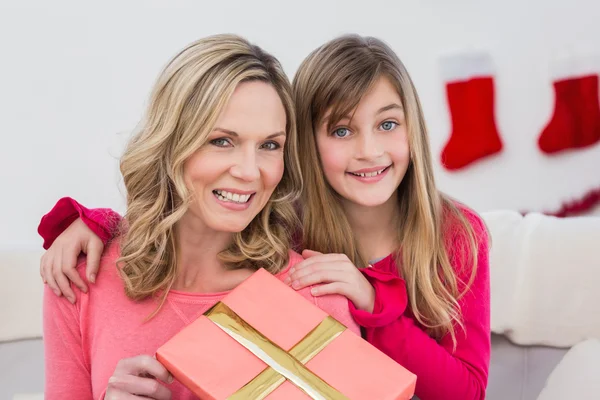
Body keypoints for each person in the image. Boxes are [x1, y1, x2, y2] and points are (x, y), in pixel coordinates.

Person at [40, 35, 490, 400]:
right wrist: (97, 221)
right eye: (221, 140)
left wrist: (374, 305)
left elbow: (466, 391)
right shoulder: (80, 277)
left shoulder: (312, 288)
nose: (250, 171)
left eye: (269, 145)